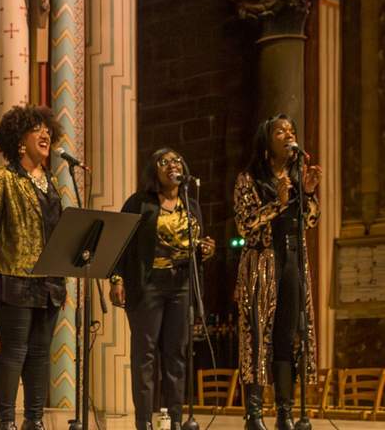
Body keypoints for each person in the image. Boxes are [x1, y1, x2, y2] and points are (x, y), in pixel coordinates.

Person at [0, 105, 67, 430]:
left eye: (48, 130)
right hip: (14, 275)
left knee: (41, 354)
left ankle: (34, 420)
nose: (45, 134)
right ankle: (6, 420)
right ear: (19, 139)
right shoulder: (2, 178)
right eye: (37, 129)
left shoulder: (52, 182)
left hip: (50, 280)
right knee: (14, 350)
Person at [110, 149, 217, 430]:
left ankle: (174, 419)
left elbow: (194, 244)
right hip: (148, 285)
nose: (172, 165)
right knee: (145, 354)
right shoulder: (139, 203)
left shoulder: (190, 204)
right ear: (153, 170)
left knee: (176, 354)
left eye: (177, 160)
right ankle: (144, 421)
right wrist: (117, 279)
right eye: (164, 161)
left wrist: (204, 250)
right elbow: (119, 244)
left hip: (180, 285)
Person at [234, 115, 321, 430]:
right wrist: (278, 203)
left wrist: (308, 193)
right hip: (261, 264)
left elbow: (311, 221)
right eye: (280, 130)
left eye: (291, 130)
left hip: (293, 261)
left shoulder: (298, 176)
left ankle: (285, 412)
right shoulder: (250, 178)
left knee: (288, 336)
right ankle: (254, 413)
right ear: (267, 140)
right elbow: (244, 225)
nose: (288, 134)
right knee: (258, 336)